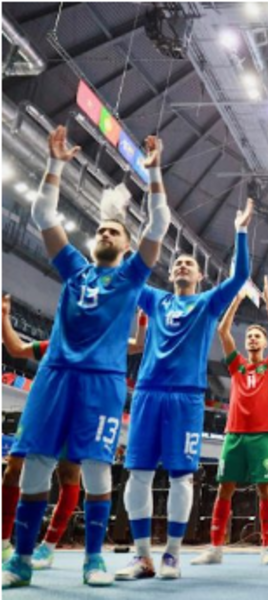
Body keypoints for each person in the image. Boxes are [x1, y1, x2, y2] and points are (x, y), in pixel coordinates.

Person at [2, 128, 167, 589]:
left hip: (102, 382)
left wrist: (153, 175)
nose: (104, 232)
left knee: (95, 467)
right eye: (100, 229)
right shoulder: (75, 268)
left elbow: (158, 226)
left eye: (113, 230)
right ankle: (19, 560)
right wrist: (54, 166)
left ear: (126, 246)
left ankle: (93, 559)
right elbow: (42, 213)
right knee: (34, 464)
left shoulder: (133, 277)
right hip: (54, 376)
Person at [115, 199, 253, 581]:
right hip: (146, 393)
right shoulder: (156, 300)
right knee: (137, 475)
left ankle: (172, 554)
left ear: (199, 277)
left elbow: (241, 276)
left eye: (188, 264)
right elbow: (130, 279)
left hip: (186, 398)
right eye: (176, 262)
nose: (180, 265)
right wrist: (131, 247)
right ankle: (142, 556)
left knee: (181, 478)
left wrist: (240, 231)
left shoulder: (208, 304)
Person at [1, 297, 147, 567]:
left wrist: (141, 323)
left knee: (72, 475)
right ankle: (4, 544)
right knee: (15, 468)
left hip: (86, 414)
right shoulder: (59, 346)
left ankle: (49, 547)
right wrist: (4, 318)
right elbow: (16, 348)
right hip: (51, 408)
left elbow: (137, 345)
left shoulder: (108, 342)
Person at [191, 276, 268, 567]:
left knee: (265, 489)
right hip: (234, 434)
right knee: (224, 489)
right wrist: (237, 300)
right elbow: (222, 330)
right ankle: (216, 548)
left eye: (258, 336)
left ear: (265, 342)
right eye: (250, 336)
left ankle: (267, 547)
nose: (253, 338)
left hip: (262, 435)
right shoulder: (237, 365)